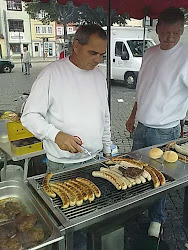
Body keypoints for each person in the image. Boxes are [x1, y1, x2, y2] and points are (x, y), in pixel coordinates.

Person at [21, 24, 111, 250]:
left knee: (93, 220)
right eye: (93, 53)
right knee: (71, 227)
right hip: (62, 167)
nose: (98, 60)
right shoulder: (52, 73)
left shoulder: (99, 76)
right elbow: (29, 116)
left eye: (102, 54)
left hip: (95, 160)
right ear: (76, 46)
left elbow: (105, 115)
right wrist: (55, 134)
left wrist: (108, 147)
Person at [126, 7, 188, 239]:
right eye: (166, 32)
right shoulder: (150, 53)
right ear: (158, 28)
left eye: (176, 33)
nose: (170, 37)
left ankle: (157, 219)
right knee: (136, 171)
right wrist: (133, 115)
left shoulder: (186, 57)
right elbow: (142, 89)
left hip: (165, 131)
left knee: (160, 178)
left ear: (181, 31)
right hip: (141, 125)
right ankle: (136, 208)